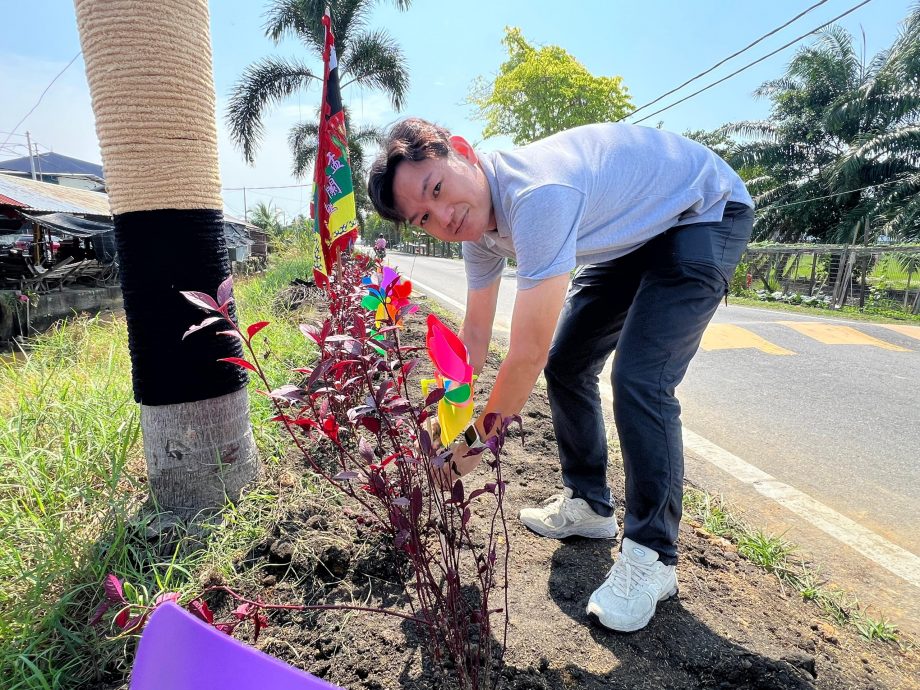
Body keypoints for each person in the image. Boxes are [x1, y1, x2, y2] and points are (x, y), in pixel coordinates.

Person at [367, 118, 753, 633]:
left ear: (460, 150)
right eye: (423, 218)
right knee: (569, 363)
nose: (444, 217)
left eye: (436, 189)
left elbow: (525, 352)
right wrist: (445, 418)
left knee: (641, 379)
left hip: (704, 211)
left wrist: (474, 449)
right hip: (637, 233)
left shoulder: (537, 195)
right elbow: (475, 336)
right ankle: (591, 504)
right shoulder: (477, 233)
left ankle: (653, 556)